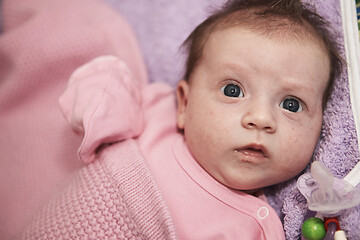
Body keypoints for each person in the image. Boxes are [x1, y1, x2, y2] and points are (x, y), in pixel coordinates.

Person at [59, 0, 342, 239]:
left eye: (290, 104)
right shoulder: (156, 115)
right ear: (184, 103)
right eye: (233, 90)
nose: (261, 119)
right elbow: (102, 95)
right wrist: (101, 99)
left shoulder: (257, 229)